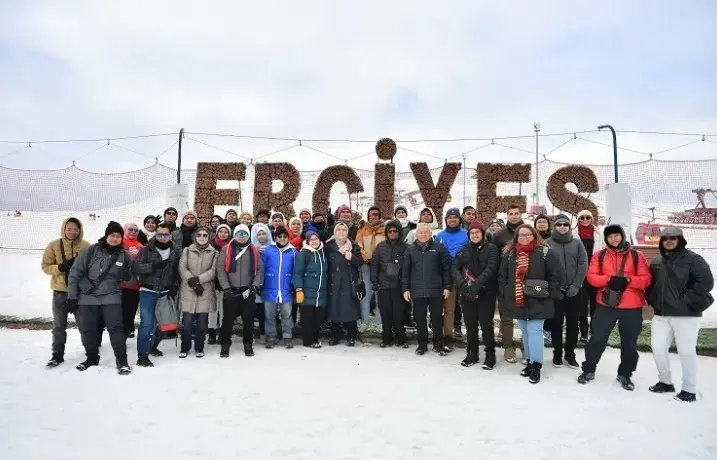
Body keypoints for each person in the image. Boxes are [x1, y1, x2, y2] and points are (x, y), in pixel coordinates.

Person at [578, 224, 651, 391]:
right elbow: (592, 277)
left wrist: (627, 280)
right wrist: (610, 279)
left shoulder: (636, 256)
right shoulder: (600, 255)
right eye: (610, 236)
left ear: (622, 236)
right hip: (606, 304)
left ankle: (625, 373)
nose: (614, 238)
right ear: (606, 239)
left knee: (629, 342)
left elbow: (646, 279)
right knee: (597, 338)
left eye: (617, 235)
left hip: (632, 306)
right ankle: (589, 369)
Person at [646, 226, 714, 402]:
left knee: (686, 351)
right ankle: (665, 381)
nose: (669, 240)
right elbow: (650, 283)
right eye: (666, 238)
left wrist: (684, 300)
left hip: (687, 315)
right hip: (661, 314)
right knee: (658, 348)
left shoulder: (694, 260)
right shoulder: (657, 260)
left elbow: (706, 282)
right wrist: (651, 298)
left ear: (680, 240)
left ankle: (689, 389)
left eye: (674, 238)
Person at [498, 224, 564, 384]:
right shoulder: (510, 254)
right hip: (518, 299)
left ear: (534, 236)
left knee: (534, 331)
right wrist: (506, 292)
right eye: (521, 235)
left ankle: (536, 365)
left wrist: (549, 292)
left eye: (528, 234)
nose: (525, 237)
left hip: (539, 299)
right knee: (525, 332)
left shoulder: (545, 253)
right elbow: (503, 275)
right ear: (516, 238)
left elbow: (556, 275)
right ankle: (528, 360)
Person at [67, 221, 133, 375]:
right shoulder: (91, 251)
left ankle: (122, 361)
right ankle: (91, 358)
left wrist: (126, 274)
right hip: (87, 297)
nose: (115, 239)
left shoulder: (125, 256)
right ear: (106, 235)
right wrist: (72, 297)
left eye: (118, 236)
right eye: (112, 235)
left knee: (116, 329)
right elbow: (74, 274)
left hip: (111, 296)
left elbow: (129, 279)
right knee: (88, 330)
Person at [41, 217, 90, 367]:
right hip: (60, 292)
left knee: (86, 324)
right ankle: (57, 354)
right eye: (69, 229)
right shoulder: (54, 245)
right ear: (64, 229)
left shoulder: (87, 246)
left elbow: (94, 268)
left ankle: (91, 352)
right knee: (59, 326)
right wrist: (61, 267)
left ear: (80, 230)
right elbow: (45, 266)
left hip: (81, 293)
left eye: (76, 229)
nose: (72, 232)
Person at [132, 222, 182, 367]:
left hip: (165, 293)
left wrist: (175, 286)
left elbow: (178, 271)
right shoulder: (147, 249)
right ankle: (142, 356)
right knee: (146, 325)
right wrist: (153, 266)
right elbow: (136, 268)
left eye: (165, 234)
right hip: (148, 291)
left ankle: (153, 346)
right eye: (159, 234)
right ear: (156, 234)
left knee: (164, 324)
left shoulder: (175, 251)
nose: (162, 237)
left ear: (170, 235)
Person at [453, 221, 500, 369]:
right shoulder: (463, 249)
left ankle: (490, 355)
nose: (474, 235)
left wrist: (476, 285)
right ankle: (472, 353)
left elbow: (491, 268)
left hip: (486, 292)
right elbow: (455, 268)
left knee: (486, 325)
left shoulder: (491, 248)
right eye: (472, 233)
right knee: (470, 325)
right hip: (466, 293)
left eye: (477, 233)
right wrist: (462, 285)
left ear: (483, 234)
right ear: (468, 235)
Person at [545, 214, 588, 369]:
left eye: (565, 224)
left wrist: (576, 285)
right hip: (556, 292)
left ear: (569, 227)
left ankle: (570, 354)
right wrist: (553, 287)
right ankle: (557, 353)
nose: (562, 227)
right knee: (556, 323)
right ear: (554, 227)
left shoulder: (577, 244)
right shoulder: (547, 244)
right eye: (559, 224)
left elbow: (583, 264)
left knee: (572, 323)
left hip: (574, 292)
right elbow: (544, 267)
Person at [403, 224, 452, 356]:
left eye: (426, 232)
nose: (423, 235)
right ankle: (422, 345)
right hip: (417, 290)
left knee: (437, 318)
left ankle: (438, 344)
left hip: (436, 290)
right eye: (420, 233)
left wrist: (447, 287)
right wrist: (405, 289)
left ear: (430, 234)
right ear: (416, 234)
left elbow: (446, 269)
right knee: (420, 319)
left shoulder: (439, 248)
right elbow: (405, 271)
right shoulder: (410, 250)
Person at [216, 224, 264, 357]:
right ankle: (225, 343)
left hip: (247, 290)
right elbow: (220, 270)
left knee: (248, 318)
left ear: (248, 235)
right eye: (239, 233)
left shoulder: (253, 249)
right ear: (234, 235)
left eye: (244, 234)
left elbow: (260, 268)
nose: (241, 236)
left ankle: (247, 343)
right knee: (228, 319)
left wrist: (254, 285)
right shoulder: (226, 249)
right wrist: (226, 288)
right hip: (230, 290)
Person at [491, 204, 525, 363]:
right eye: (510, 213)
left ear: (521, 214)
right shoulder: (499, 236)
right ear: (507, 215)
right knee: (506, 317)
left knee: (526, 316)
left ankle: (527, 347)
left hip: (526, 281)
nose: (514, 216)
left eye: (516, 213)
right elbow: (495, 260)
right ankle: (508, 347)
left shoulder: (528, 232)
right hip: (505, 281)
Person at [177, 227, 218, 358]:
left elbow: (214, 271)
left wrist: (199, 280)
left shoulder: (214, 253)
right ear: (195, 237)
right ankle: (185, 347)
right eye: (199, 235)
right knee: (187, 321)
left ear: (209, 237)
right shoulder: (187, 250)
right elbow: (182, 267)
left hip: (205, 290)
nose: (201, 237)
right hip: (188, 289)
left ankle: (199, 347)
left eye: (204, 235)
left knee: (202, 322)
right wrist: (192, 281)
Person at [371, 220, 408, 348]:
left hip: (398, 287)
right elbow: (374, 265)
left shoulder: (405, 247)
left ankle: (400, 338)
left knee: (398, 315)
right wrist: (375, 283)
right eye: (390, 231)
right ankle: (386, 338)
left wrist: (406, 286)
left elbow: (408, 268)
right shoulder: (381, 246)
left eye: (395, 231)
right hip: (384, 286)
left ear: (399, 232)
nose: (392, 233)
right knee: (385, 314)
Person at [325, 222, 364, 346]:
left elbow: (360, 262)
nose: (341, 232)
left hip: (349, 281)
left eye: (344, 230)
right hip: (333, 282)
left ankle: (351, 335)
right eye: (338, 230)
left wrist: (351, 257)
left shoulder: (353, 246)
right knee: (334, 308)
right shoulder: (328, 247)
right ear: (334, 232)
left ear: (347, 233)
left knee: (350, 309)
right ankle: (335, 335)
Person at [435, 207, 469, 347]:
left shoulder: (466, 234)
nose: (452, 220)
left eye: (455, 217)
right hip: (448, 276)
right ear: (446, 220)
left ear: (459, 219)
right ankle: (448, 336)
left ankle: (470, 334)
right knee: (449, 308)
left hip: (464, 275)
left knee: (468, 306)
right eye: (450, 217)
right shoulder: (440, 236)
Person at [262, 227, 297, 349]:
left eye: (285, 236)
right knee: (269, 314)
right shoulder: (268, 251)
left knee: (286, 314)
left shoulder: (293, 252)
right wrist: (261, 284)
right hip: (269, 288)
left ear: (288, 238)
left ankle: (287, 336)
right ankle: (271, 336)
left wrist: (295, 286)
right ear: (275, 238)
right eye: (279, 236)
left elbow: (296, 271)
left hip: (286, 288)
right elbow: (262, 268)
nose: (282, 239)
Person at [293, 231, 329, 348]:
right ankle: (308, 341)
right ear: (308, 241)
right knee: (307, 319)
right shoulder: (303, 254)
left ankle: (315, 338)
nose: (314, 241)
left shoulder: (324, 253)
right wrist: (298, 289)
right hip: (306, 292)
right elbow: (297, 273)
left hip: (321, 292)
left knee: (318, 318)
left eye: (316, 239)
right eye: (311, 239)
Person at [574, 209, 602, 342]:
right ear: (578, 220)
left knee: (596, 307)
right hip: (581, 275)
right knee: (582, 307)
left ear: (591, 219)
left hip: (595, 274)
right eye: (582, 218)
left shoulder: (599, 234)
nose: (585, 220)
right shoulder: (573, 234)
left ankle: (595, 331)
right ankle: (584, 333)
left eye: (587, 218)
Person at [355, 206, 386, 326]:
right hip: (366, 265)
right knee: (366, 294)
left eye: (376, 214)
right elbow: (358, 245)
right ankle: (365, 323)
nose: (374, 216)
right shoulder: (363, 229)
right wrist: (367, 257)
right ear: (368, 216)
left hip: (381, 268)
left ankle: (380, 324)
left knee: (380, 296)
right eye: (371, 214)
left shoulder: (385, 229)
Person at [208, 224, 232, 344]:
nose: (223, 234)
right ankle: (211, 331)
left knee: (224, 309)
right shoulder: (211, 245)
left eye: (225, 232)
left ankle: (223, 331)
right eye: (221, 231)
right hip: (212, 281)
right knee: (212, 308)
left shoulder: (232, 246)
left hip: (225, 281)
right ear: (217, 233)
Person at [251, 223, 274, 342]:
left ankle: (270, 333)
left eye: (263, 233)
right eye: (258, 234)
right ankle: (261, 333)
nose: (261, 236)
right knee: (259, 311)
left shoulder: (273, 247)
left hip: (270, 283)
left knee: (269, 311)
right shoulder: (252, 248)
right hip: (257, 282)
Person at [121, 222, 143, 338]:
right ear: (124, 230)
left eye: (136, 230)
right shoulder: (118, 244)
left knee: (130, 310)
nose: (133, 232)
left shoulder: (140, 247)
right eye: (130, 229)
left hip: (133, 285)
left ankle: (128, 329)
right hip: (117, 285)